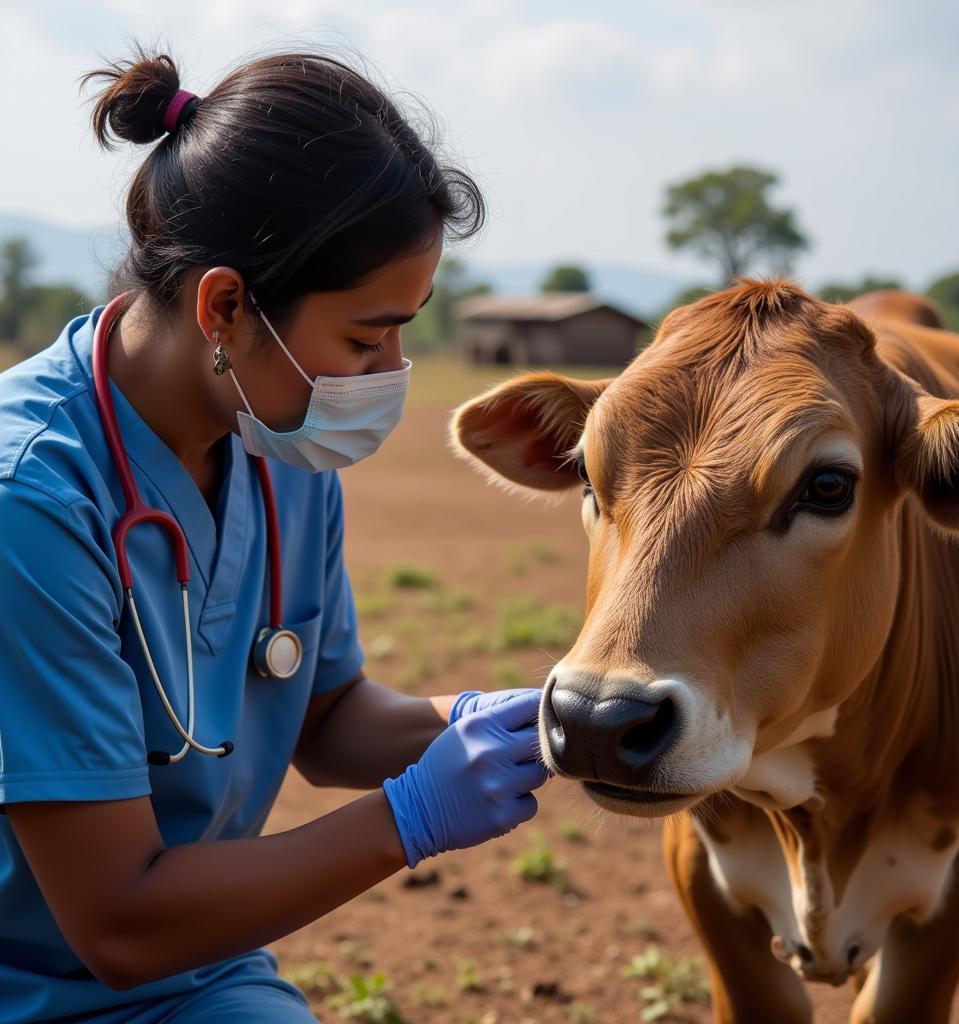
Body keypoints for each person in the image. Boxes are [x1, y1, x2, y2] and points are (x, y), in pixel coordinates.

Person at [0, 46, 549, 1023]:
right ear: (224, 307)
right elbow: (117, 922)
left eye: (406, 331)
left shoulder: (275, 441)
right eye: (364, 336)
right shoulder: (30, 503)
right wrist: (409, 818)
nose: (389, 371)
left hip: (199, 968)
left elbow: (325, 720)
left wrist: (527, 720)